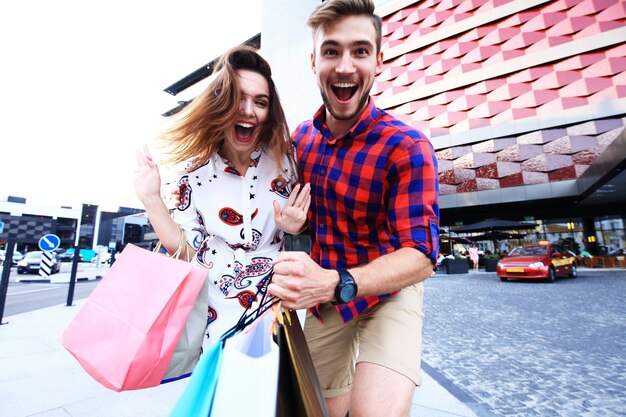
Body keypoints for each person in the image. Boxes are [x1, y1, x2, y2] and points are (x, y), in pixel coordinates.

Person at [268, 1, 440, 416]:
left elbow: (421, 255)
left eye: (360, 51)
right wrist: (293, 232)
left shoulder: (407, 146)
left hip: (389, 291)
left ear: (379, 61)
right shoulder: (301, 142)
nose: (345, 66)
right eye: (331, 51)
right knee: (309, 409)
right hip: (326, 296)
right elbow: (294, 232)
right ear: (314, 61)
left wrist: (335, 284)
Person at [133, 45, 310, 344]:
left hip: (274, 302)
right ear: (222, 104)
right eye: (239, 99)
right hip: (214, 308)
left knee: (274, 386)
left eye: (260, 102)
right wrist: (152, 200)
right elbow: (185, 249)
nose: (249, 110)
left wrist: (295, 230)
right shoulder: (194, 175)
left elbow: (311, 237)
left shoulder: (287, 162)